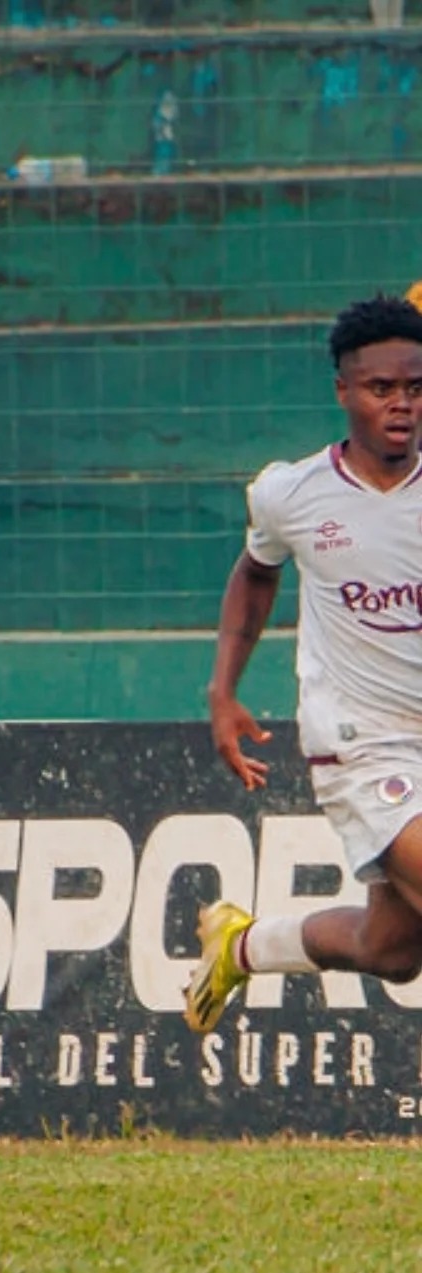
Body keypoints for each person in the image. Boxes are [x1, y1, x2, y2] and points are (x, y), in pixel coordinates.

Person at [185, 292, 422, 1031]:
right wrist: (223, 691)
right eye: (382, 389)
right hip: (361, 744)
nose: (402, 405)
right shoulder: (293, 494)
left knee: (391, 951)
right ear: (342, 391)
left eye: (416, 387)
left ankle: (243, 946)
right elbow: (256, 574)